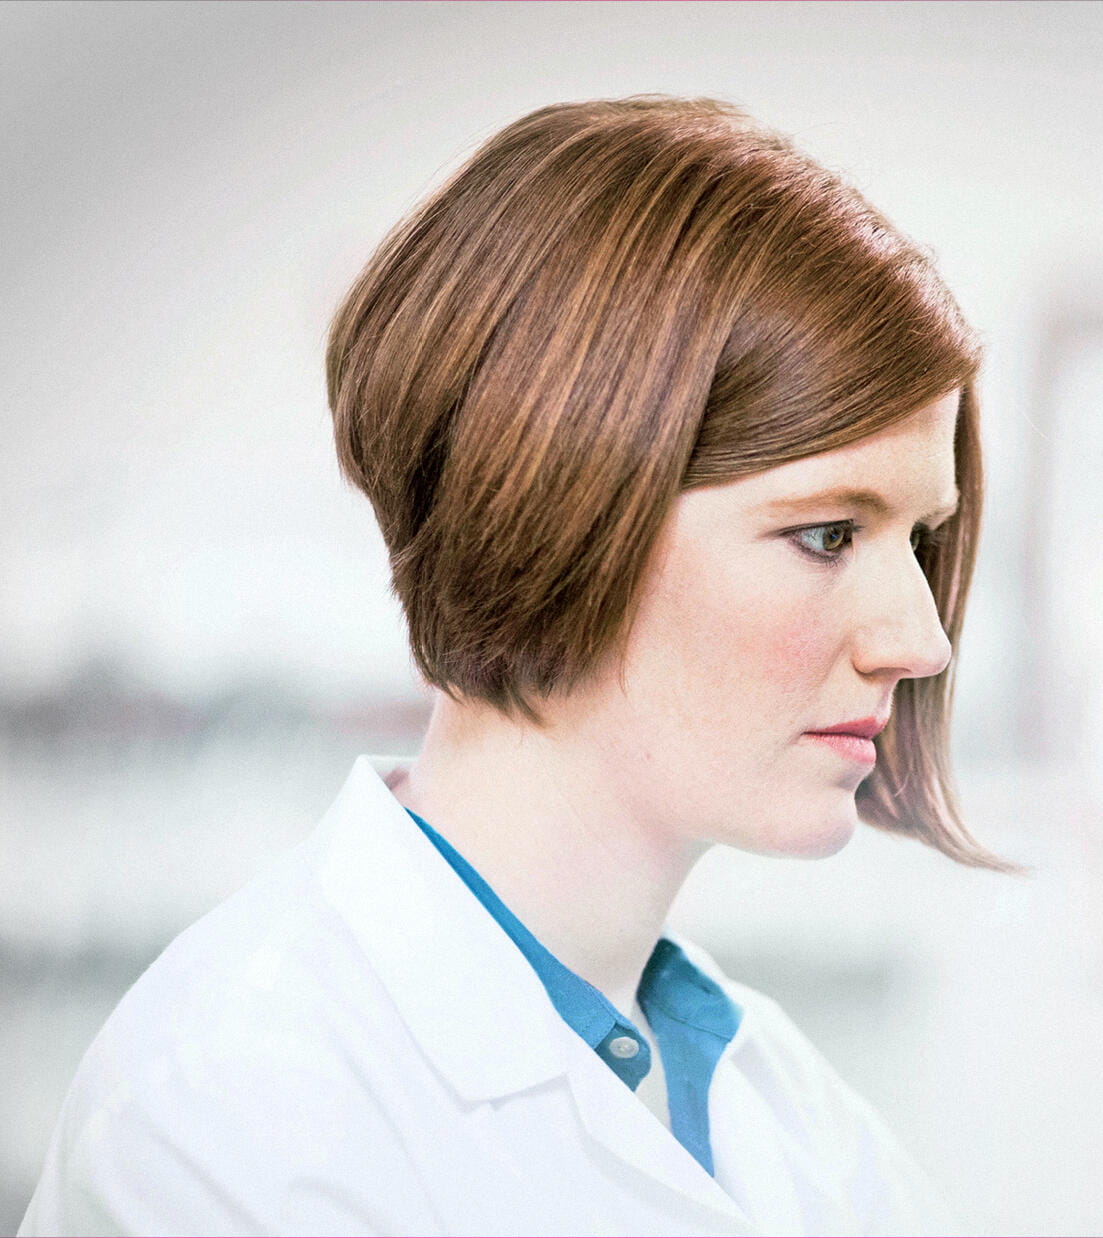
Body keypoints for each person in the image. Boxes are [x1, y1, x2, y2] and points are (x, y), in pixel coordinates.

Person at [18, 94, 1015, 1236]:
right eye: (828, 534)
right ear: (555, 506)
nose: (923, 638)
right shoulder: (228, 1126)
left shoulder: (782, 1112)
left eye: (920, 539)